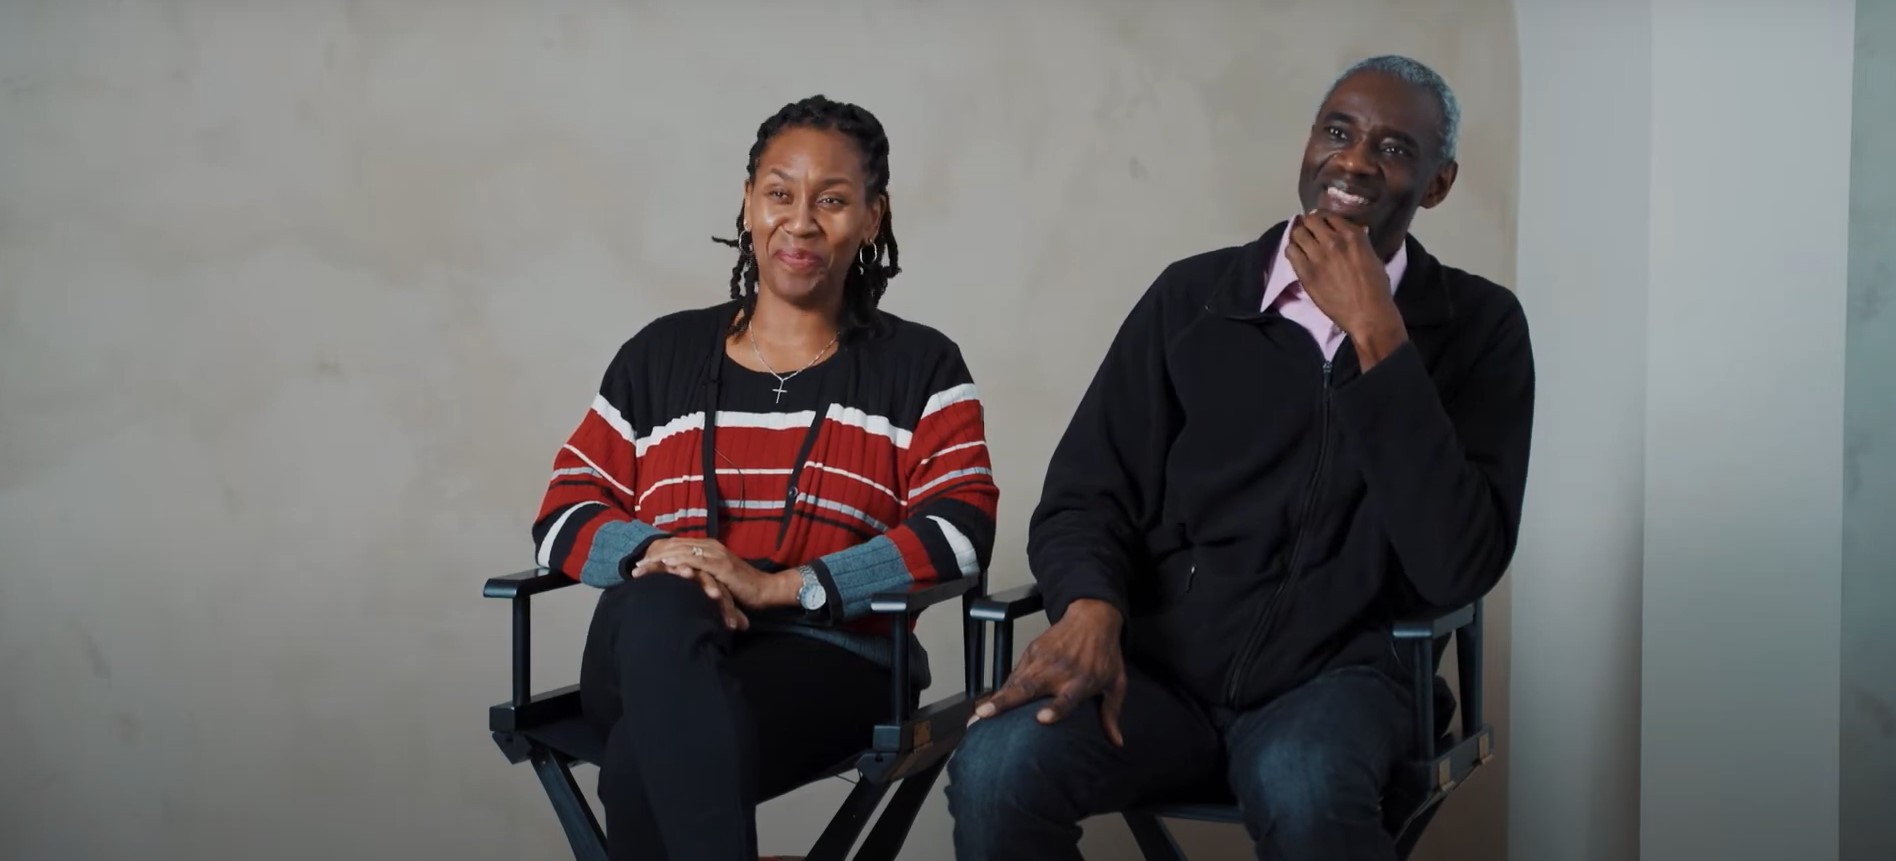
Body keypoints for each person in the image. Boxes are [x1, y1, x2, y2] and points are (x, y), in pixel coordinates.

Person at [945, 55, 1535, 860]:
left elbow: (1458, 564)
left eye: (1395, 148)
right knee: (996, 767)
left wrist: (1380, 338)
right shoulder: (1192, 300)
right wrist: (1089, 608)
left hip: (1343, 681)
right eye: (1338, 131)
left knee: (1307, 787)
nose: (1355, 160)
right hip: (1155, 676)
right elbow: (1084, 495)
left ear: (1437, 183)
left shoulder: (1481, 328)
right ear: (1308, 146)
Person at [529, 95, 999, 861]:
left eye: (834, 199)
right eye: (780, 192)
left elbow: (961, 530)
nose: (802, 221)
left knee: (638, 763)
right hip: (646, 648)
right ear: (748, 202)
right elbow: (562, 510)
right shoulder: (659, 355)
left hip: (834, 665)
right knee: (660, 599)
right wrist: (663, 555)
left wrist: (781, 585)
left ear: (873, 218)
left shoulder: (921, 367)